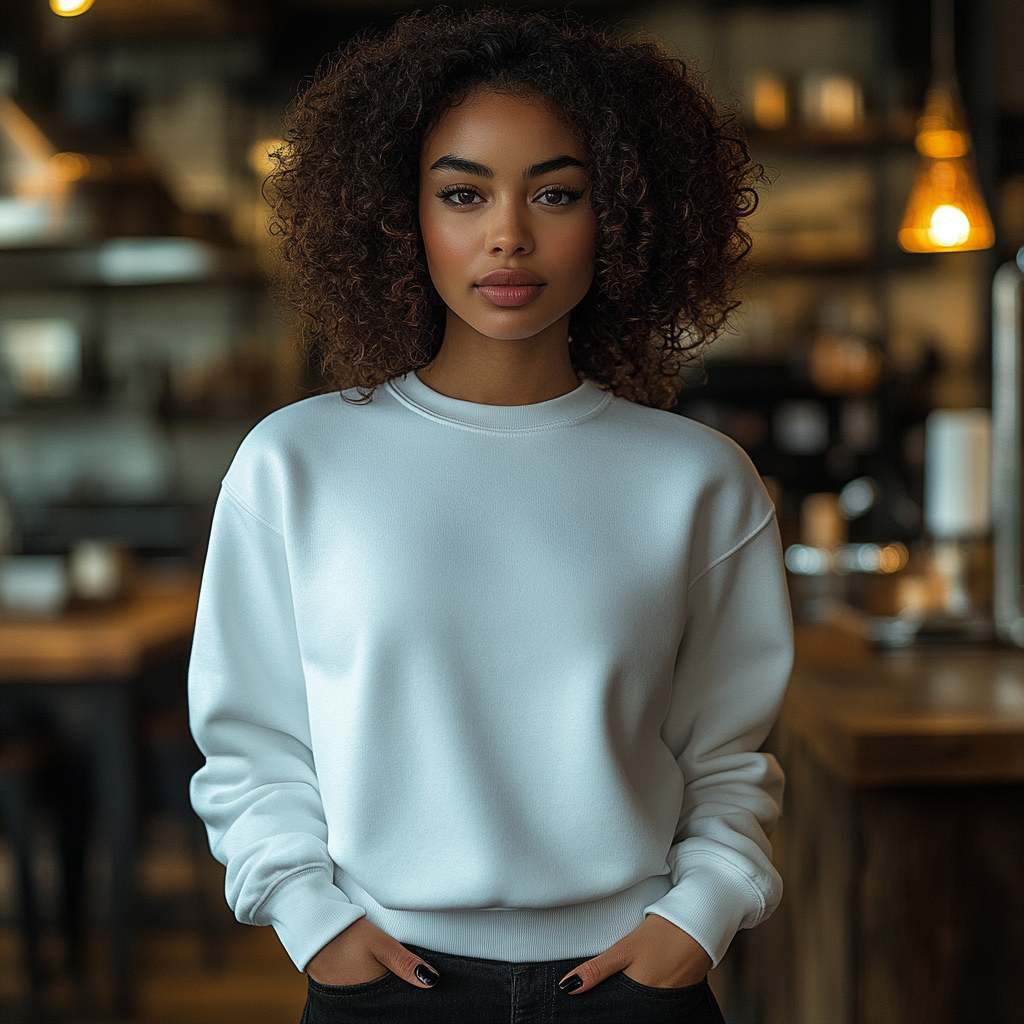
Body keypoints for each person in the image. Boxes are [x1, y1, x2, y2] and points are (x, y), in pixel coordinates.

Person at [188, 8, 793, 1023]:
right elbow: (252, 743)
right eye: (463, 193)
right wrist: (309, 918)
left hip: (630, 988)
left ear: (624, 215)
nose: (508, 233)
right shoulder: (295, 463)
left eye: (556, 192)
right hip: (381, 986)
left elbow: (730, 755)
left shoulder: (697, 479)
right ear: (398, 213)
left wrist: (700, 916)